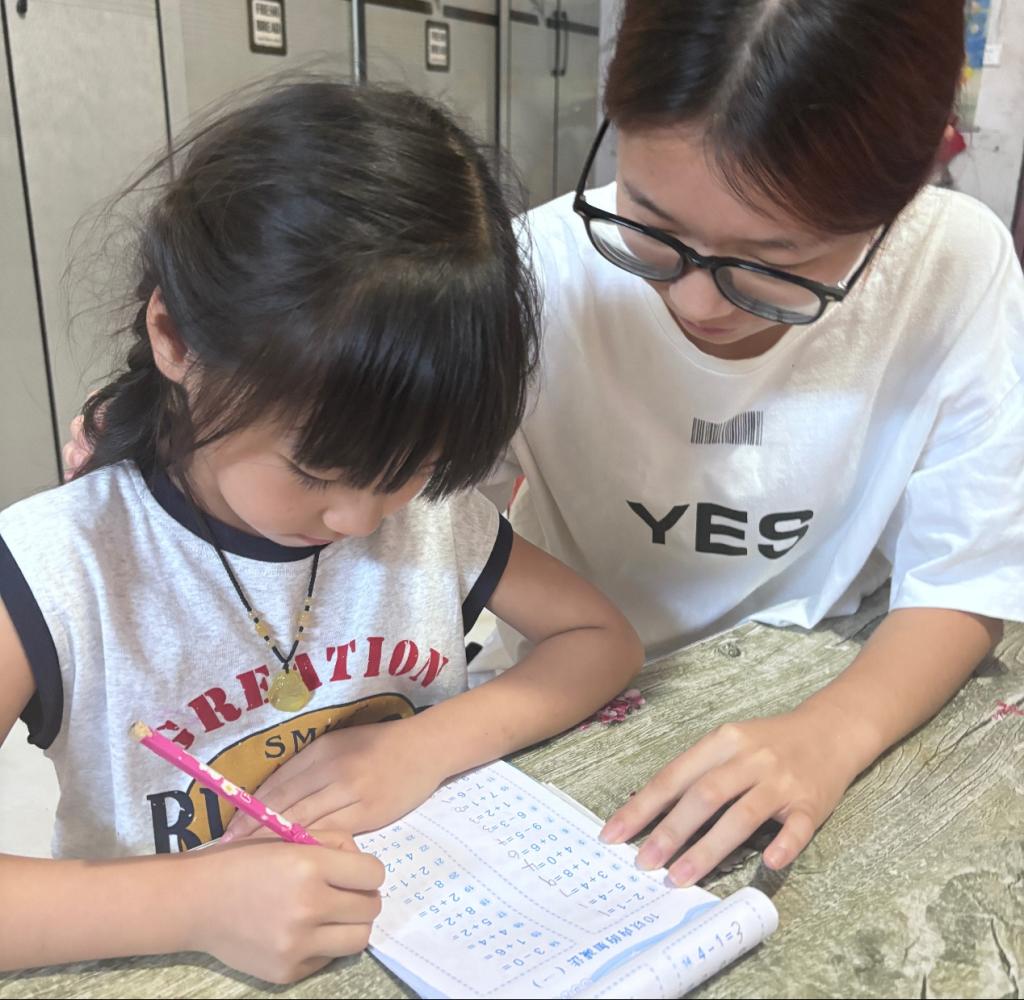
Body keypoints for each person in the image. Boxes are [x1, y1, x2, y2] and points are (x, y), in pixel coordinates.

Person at [190, 0, 1024, 889]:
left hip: (838, 677)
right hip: (567, 706)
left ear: (902, 199)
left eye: (775, 265)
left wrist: (833, 734)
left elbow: (965, 575)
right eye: (653, 226)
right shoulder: (540, 274)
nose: (697, 302)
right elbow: (355, 479)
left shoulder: (952, 266)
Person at [0, 82, 642, 984]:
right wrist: (194, 903)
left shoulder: (423, 521)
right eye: (315, 472)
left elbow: (600, 639)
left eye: (413, 468)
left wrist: (423, 746)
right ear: (175, 339)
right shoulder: (65, 568)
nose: (362, 519)